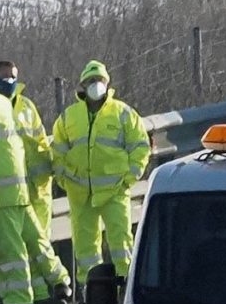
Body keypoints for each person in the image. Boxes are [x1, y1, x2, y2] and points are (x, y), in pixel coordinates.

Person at [49, 59, 153, 276]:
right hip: (80, 193)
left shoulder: (123, 113)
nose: (96, 84)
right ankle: (92, 290)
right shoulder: (69, 116)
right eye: (91, 80)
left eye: (99, 80)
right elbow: (57, 151)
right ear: (83, 86)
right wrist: (64, 179)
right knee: (86, 246)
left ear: (107, 83)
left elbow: (140, 146)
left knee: (121, 242)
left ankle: (124, 287)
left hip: (114, 190)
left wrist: (130, 177)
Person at [0, 62, 70, 304]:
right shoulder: (2, 104)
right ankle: (57, 283)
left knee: (10, 249)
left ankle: (18, 299)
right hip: (19, 186)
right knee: (37, 242)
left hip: (2, 191)